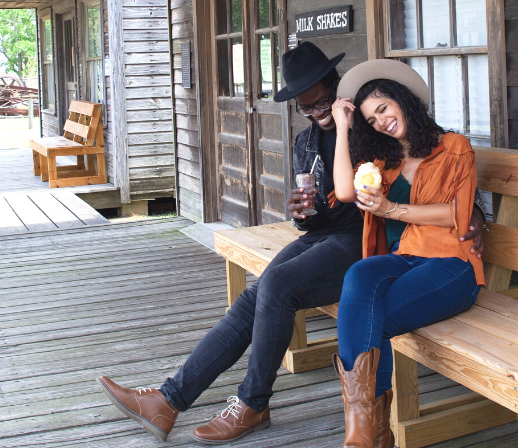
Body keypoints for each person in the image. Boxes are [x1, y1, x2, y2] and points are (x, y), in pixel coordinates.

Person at [97, 43, 485, 444]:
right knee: (257, 295)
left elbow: (427, 175)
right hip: (333, 237)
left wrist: (473, 214)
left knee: (280, 288)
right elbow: (331, 201)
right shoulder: (310, 142)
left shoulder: (368, 134)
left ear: (338, 91)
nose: (318, 114)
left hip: (362, 240)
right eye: (307, 108)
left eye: (323, 103)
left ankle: (254, 403)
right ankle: (168, 399)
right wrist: (304, 211)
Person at [330, 61, 484, 448]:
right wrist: (343, 127)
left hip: (454, 265)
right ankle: (368, 433)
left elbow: (458, 214)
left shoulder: (454, 147)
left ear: (402, 101)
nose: (380, 121)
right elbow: (346, 192)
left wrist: (391, 210)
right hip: (407, 257)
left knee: (368, 323)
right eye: (371, 118)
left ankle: (368, 436)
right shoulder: (384, 164)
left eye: (383, 109)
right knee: (360, 275)